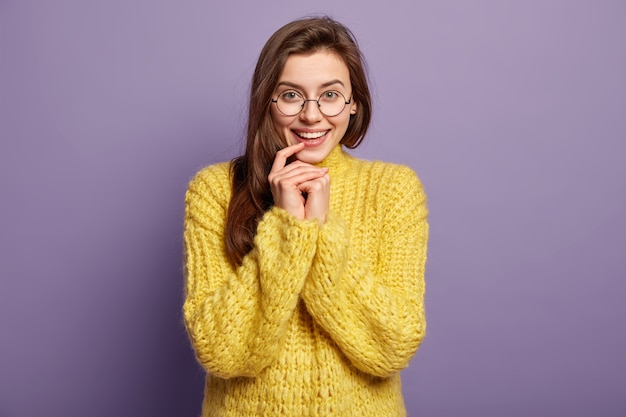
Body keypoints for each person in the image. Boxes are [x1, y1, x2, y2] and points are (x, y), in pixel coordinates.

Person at [183, 15, 428, 417]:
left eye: (330, 95)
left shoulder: (394, 189)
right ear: (267, 102)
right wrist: (287, 228)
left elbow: (392, 345)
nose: (312, 116)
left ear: (354, 105)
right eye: (292, 95)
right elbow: (220, 351)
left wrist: (319, 231)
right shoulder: (214, 190)